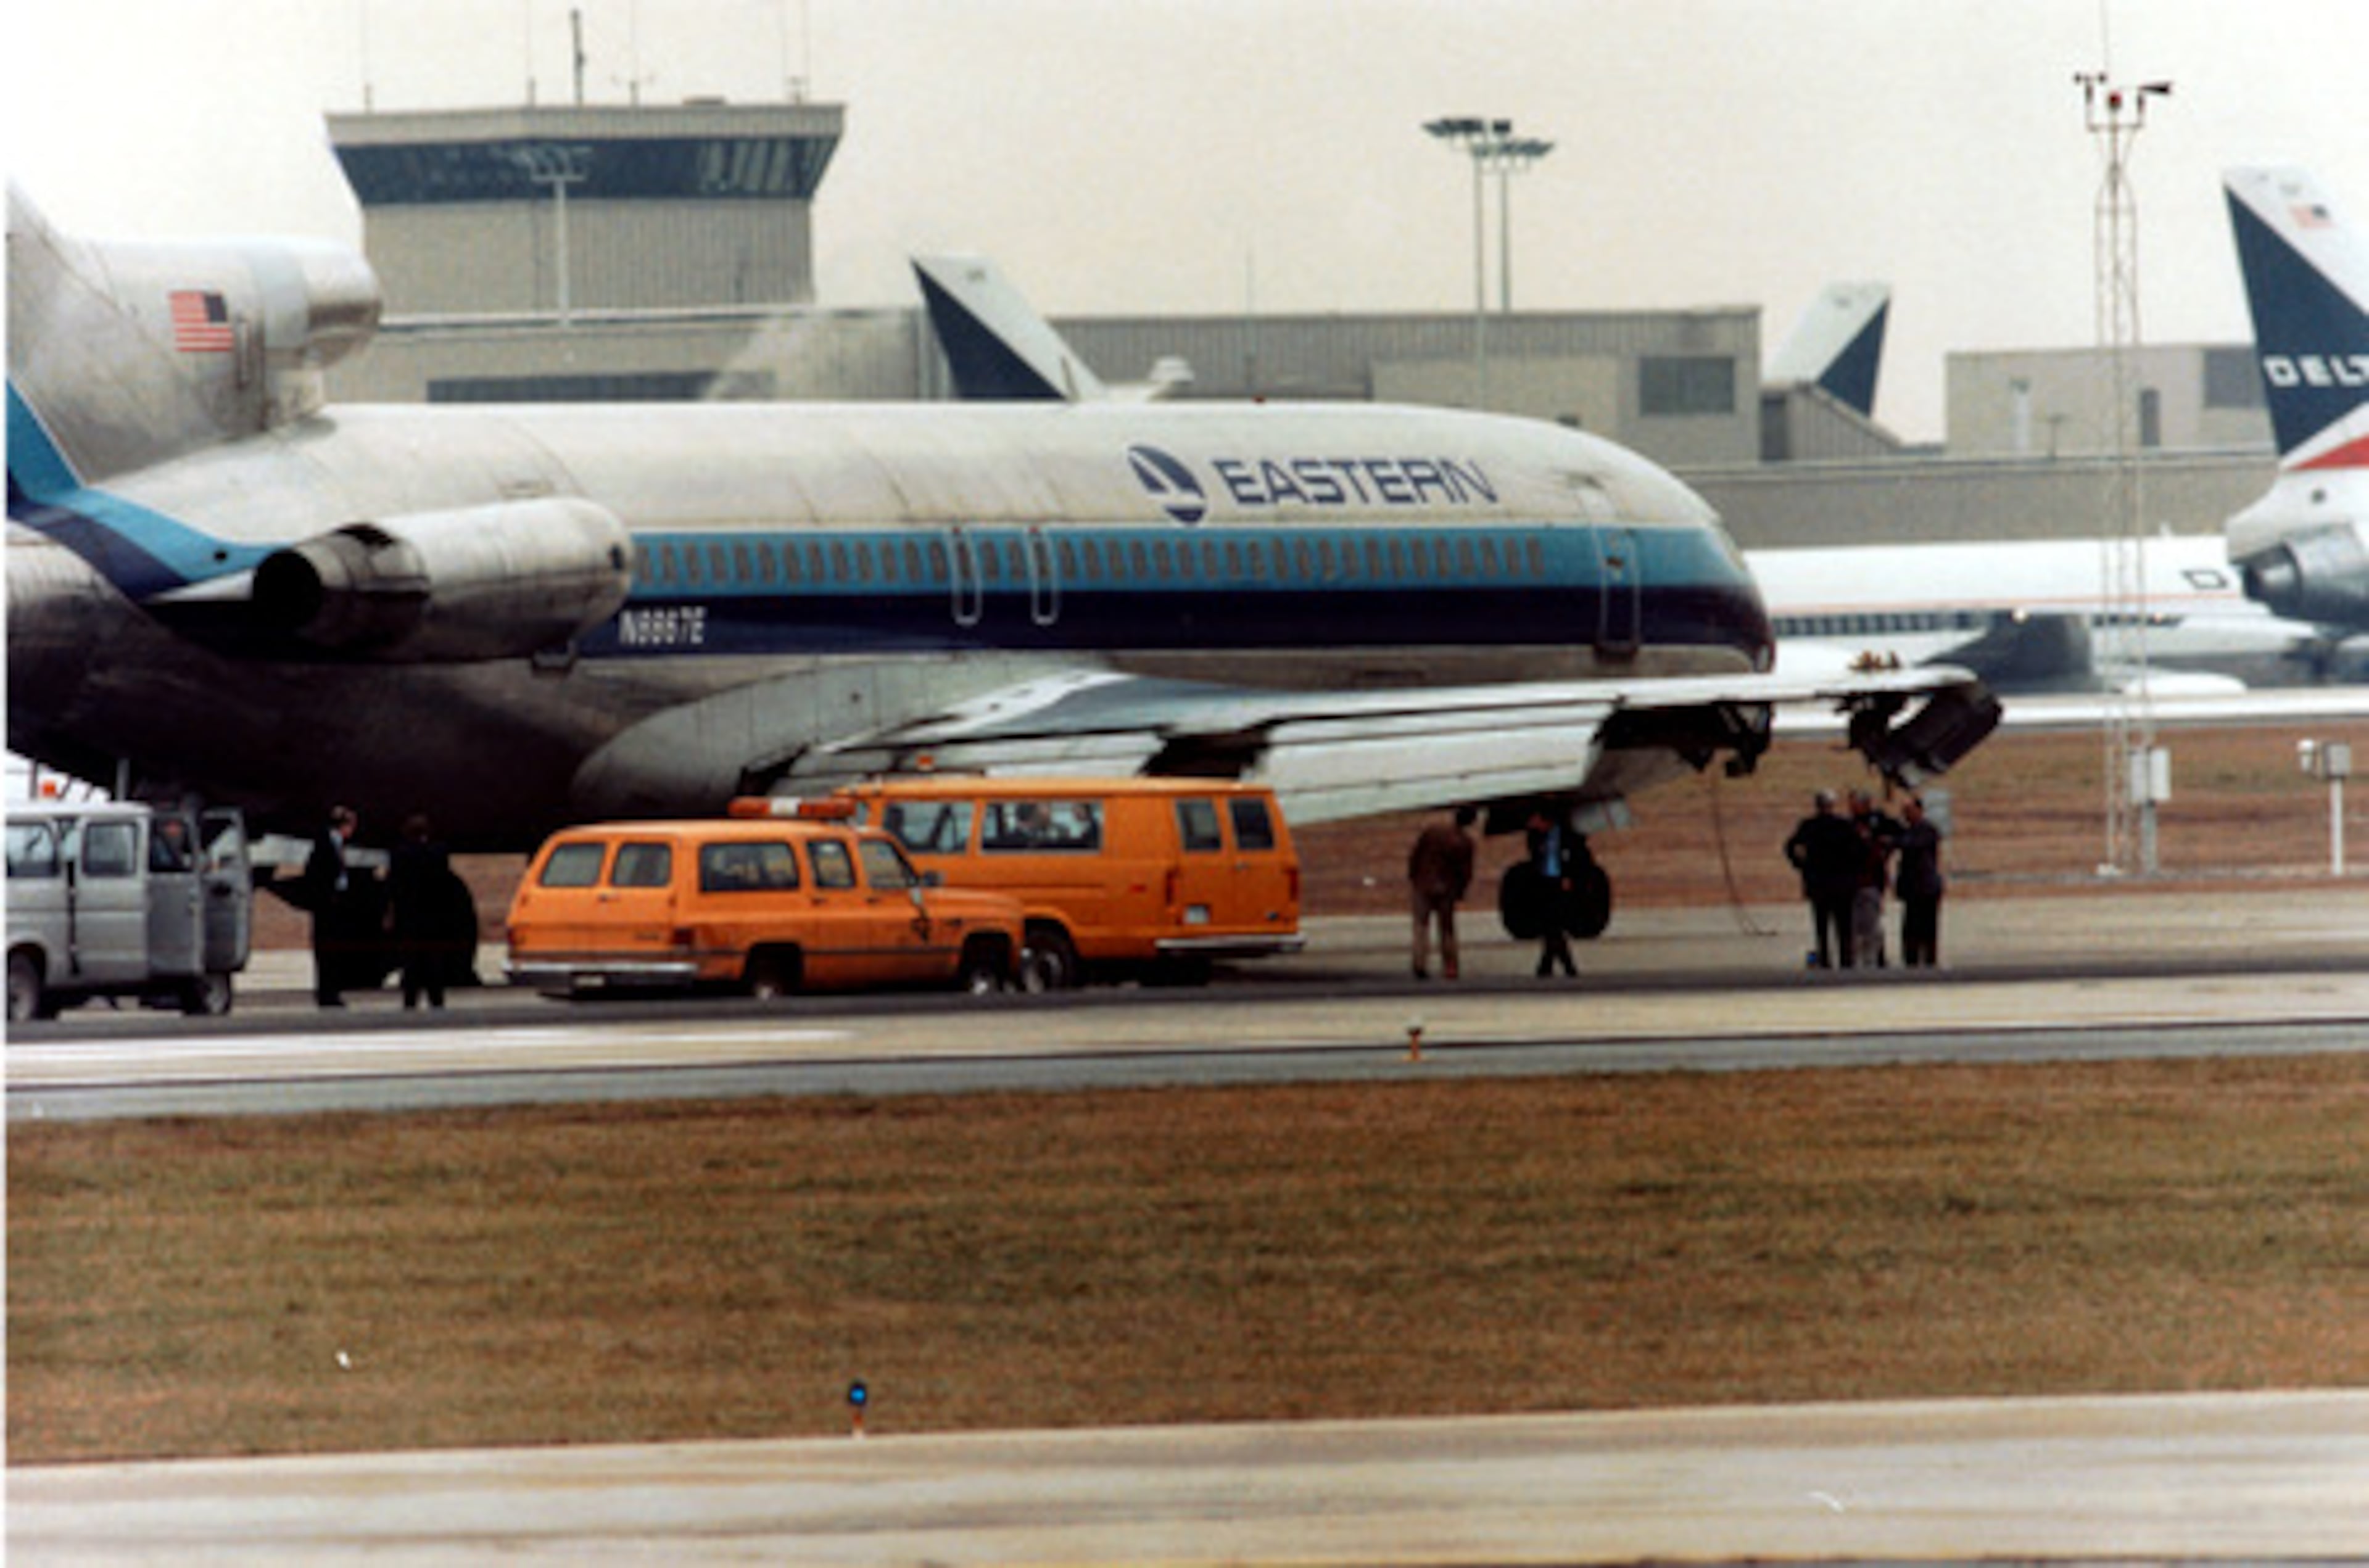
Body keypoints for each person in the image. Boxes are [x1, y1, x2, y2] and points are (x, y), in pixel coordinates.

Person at [1783, 790, 1862, 970]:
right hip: (1843, 884)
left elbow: (1790, 847)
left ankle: (1825, 959)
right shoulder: (1844, 825)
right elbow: (1860, 851)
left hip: (1818, 882)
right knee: (1844, 925)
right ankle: (1846, 959)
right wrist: (1853, 873)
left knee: (1821, 925)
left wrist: (1802, 866)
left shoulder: (1809, 826)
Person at [387, 813, 454, 1010]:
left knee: (411, 961)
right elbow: (446, 885)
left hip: (409, 916)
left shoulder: (399, 854)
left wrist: (393, 913)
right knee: (434, 960)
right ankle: (436, 998)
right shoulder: (439, 853)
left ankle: (410, 998)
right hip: (434, 915)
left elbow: (394, 887)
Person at [1407, 805, 1478, 980]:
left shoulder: (1433, 832)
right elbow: (1465, 872)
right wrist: (1461, 891)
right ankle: (1450, 966)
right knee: (1447, 929)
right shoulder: (1465, 843)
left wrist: (1414, 876)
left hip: (1423, 884)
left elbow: (1415, 855)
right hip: (1447, 888)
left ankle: (1419, 963)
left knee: (1421, 926)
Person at [301, 805, 360, 1007]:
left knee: (333, 952)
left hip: (334, 906)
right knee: (327, 952)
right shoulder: (325, 845)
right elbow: (316, 876)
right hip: (327, 908)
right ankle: (327, 993)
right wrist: (326, 898)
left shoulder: (335, 844)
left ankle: (331, 991)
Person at [1848, 790, 1903, 969]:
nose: (1852, 808)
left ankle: (1877, 955)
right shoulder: (1849, 824)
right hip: (1854, 879)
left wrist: (1886, 847)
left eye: (1855, 804)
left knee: (1873, 918)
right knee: (1856, 921)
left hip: (1873, 877)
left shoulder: (1878, 820)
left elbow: (1899, 833)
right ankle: (1857, 956)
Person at [1892, 794, 1946, 968]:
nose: (1907, 815)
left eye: (1910, 811)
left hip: (1926, 888)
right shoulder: (1907, 831)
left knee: (1928, 928)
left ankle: (1929, 960)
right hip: (1912, 889)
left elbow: (1911, 845)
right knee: (1911, 929)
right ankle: (1912, 960)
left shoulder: (1927, 830)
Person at [1524, 810, 1579, 979]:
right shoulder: (1537, 837)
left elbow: (1573, 856)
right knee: (1551, 927)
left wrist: (1569, 876)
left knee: (1553, 926)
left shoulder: (1565, 835)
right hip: (1544, 882)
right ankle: (1553, 966)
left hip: (1559, 882)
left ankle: (1552, 966)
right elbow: (1534, 856)